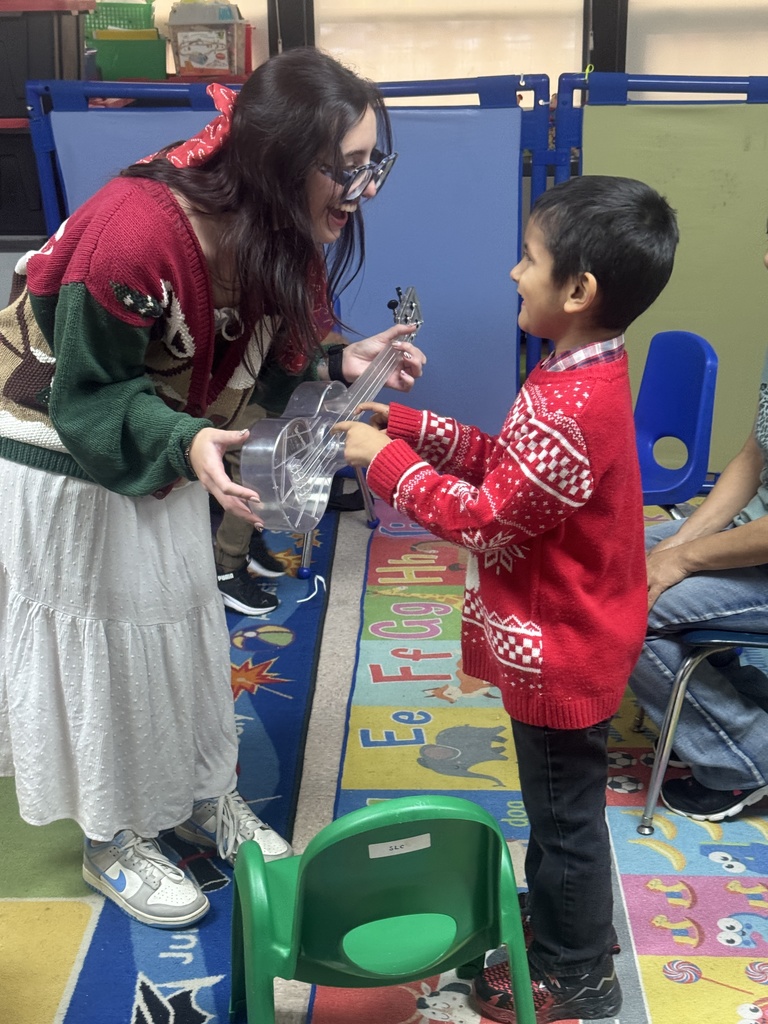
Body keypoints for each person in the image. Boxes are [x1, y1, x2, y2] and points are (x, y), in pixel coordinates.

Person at [0, 46, 424, 930]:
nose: (366, 190)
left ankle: (198, 793)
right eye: (347, 170)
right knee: (109, 646)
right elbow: (86, 394)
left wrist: (341, 359)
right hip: (65, 441)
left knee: (184, 620)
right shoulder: (135, 232)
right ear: (278, 163)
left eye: (372, 164)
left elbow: (266, 335)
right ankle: (113, 836)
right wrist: (186, 439)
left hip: (163, 434)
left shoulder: (277, 220)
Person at [334, 175, 679, 1023]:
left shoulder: (572, 404)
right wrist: (414, 429)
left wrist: (381, 461)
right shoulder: (575, 376)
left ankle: (577, 973)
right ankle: (568, 925)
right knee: (560, 812)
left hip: (567, 650)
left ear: (578, 289)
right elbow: (506, 463)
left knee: (564, 821)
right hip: (570, 636)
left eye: (528, 259)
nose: (513, 273)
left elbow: (486, 520)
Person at [630, 290, 768, 822]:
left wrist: (684, 561)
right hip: (751, 534)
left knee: (624, 607)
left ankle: (745, 765)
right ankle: (741, 689)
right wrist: (686, 537)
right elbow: (756, 452)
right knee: (598, 563)